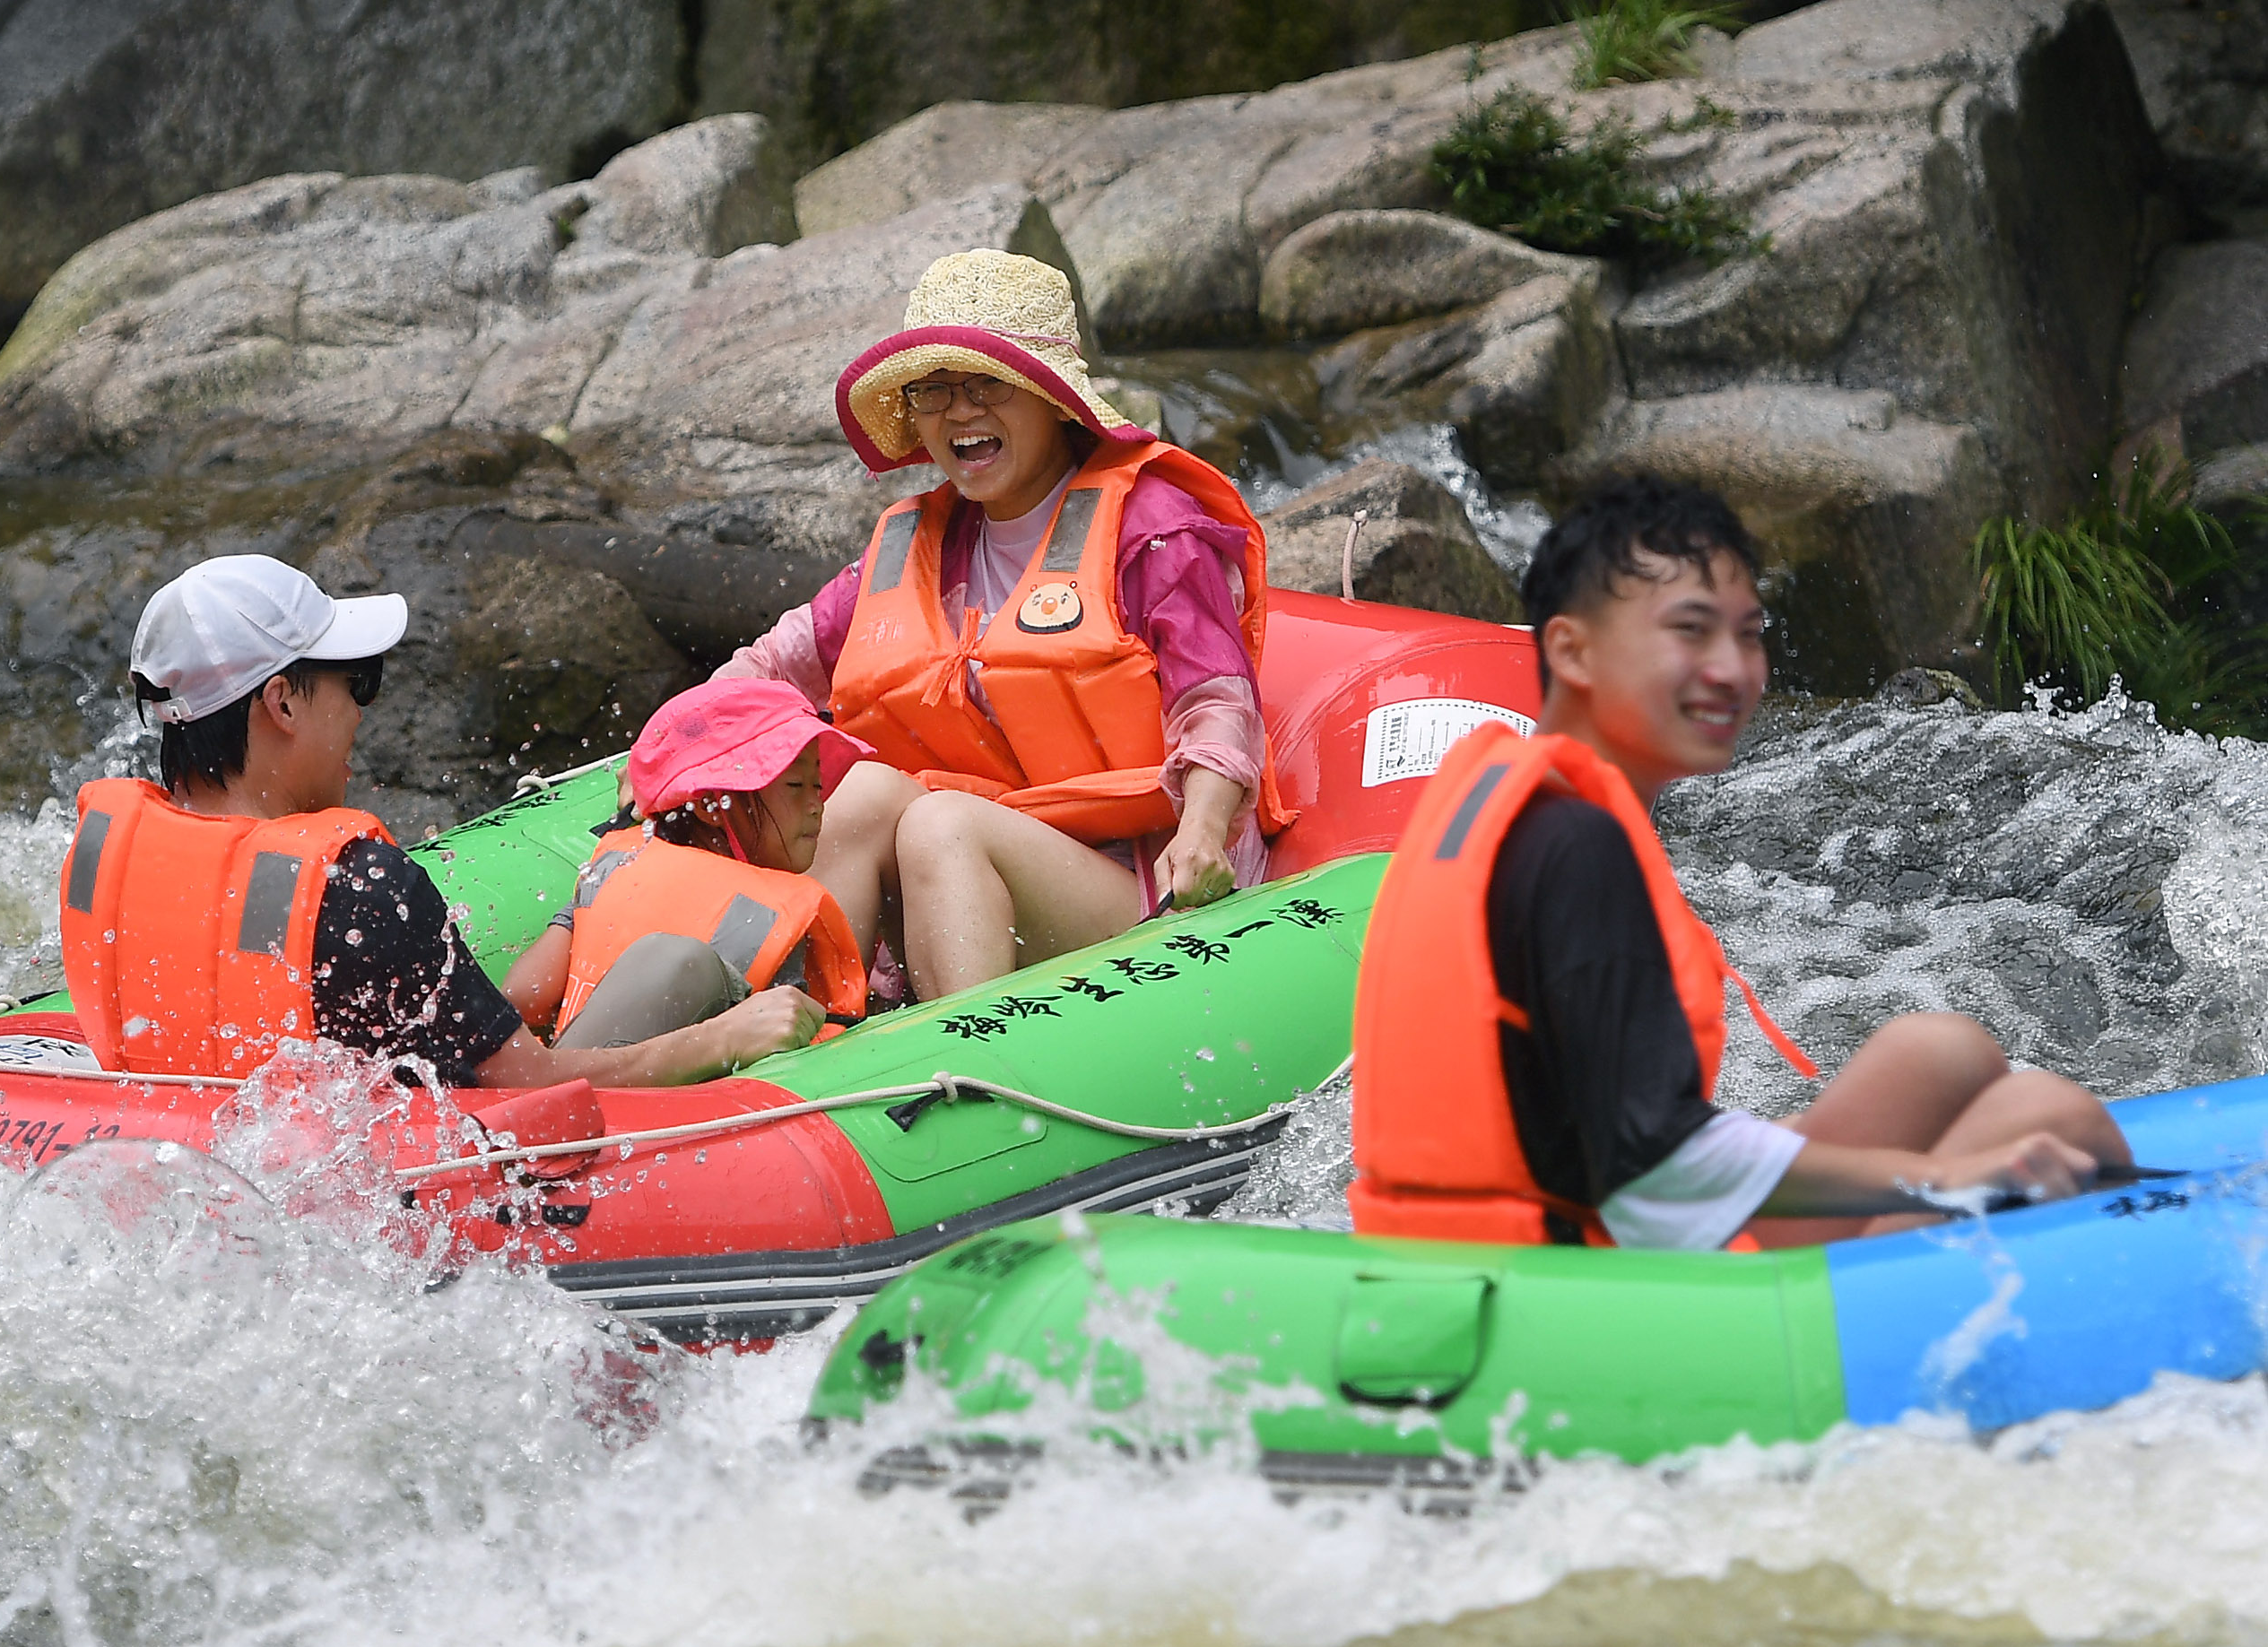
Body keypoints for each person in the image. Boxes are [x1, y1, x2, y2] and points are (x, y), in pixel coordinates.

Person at [1346, 476, 2130, 1251]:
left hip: (1549, 1229)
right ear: (1572, 651)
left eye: (1748, 634)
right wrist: (1940, 1178)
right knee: (2056, 1119)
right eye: (1690, 631)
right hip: (1569, 1296)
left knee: (1937, 1051)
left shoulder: (1516, 806)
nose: (1733, 669)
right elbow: (1655, 1166)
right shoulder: (1577, 847)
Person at [716, 248, 1290, 1001]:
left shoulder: (1150, 527)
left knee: (939, 823)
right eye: (934, 391)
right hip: (985, 853)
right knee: (860, 800)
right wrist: (682, 746)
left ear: (1053, 398)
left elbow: (1217, 707)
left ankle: (961, 1080)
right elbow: (770, 666)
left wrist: (1204, 831)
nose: (959, 412)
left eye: (987, 383)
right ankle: (805, 1035)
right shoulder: (920, 543)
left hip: (1156, 877)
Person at [57, 555, 819, 1088]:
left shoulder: (102, 862)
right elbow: (526, 1089)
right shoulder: (360, 890)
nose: (360, 709)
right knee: (682, 969)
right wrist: (721, 1039)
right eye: (356, 681)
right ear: (282, 702)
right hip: (423, 1199)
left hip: (187, 1154)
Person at [500, 680, 874, 1047]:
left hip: (572, 1072)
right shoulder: (765, 917)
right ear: (710, 805)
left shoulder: (614, 870)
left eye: (818, 785)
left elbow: (525, 995)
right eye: (795, 785)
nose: (816, 805)